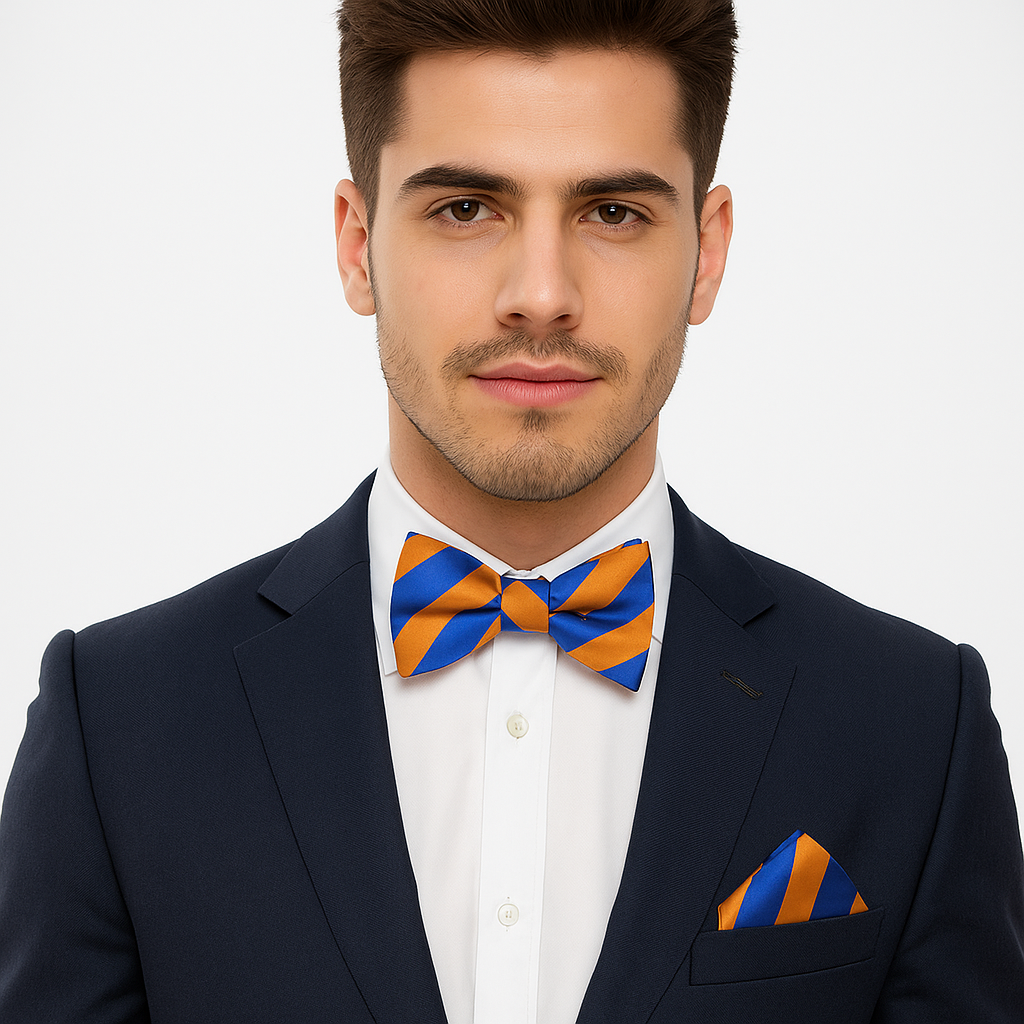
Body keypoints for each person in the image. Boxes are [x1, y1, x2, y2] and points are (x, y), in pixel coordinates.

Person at [1, 0, 1022, 1020]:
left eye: (613, 212)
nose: (540, 294)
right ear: (357, 247)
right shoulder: (118, 727)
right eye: (465, 208)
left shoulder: (911, 733)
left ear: (706, 254)